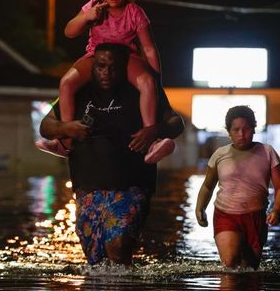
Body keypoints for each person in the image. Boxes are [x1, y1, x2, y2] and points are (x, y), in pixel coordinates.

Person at [39, 43, 184, 265]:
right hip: (88, 189)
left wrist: (154, 130)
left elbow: (176, 122)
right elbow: (46, 125)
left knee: (118, 245)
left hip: (132, 186)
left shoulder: (141, 89)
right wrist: (66, 129)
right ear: (92, 67)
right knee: (96, 261)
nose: (106, 73)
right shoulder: (79, 91)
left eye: (114, 67)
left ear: (125, 67)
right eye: (101, 66)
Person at [38, 0, 172, 162]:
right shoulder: (94, 5)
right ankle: (65, 141)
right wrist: (86, 17)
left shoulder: (134, 12)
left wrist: (156, 80)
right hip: (95, 55)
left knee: (146, 83)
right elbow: (69, 32)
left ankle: (153, 141)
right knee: (66, 83)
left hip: (126, 58)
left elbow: (149, 48)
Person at [194, 105, 280, 270]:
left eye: (247, 129)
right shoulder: (219, 155)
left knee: (250, 271)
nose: (241, 134)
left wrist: (276, 210)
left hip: (256, 217)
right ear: (228, 131)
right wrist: (200, 208)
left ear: (254, 129)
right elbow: (208, 186)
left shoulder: (267, 152)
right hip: (225, 215)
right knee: (230, 265)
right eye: (236, 129)